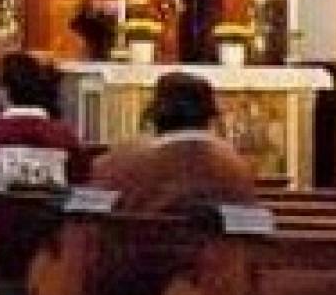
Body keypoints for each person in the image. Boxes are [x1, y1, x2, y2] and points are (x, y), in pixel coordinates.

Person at [93, 70, 259, 215]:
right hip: (208, 251)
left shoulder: (117, 163)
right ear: (208, 117)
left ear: (156, 114)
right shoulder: (234, 169)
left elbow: (91, 224)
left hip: (137, 250)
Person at [0, 51, 86, 188]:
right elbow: (79, 186)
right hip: (49, 209)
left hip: (3, 209)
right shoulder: (65, 136)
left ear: (3, 91)